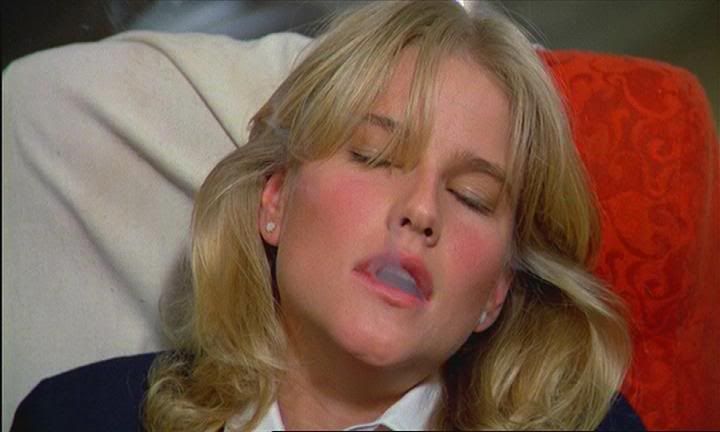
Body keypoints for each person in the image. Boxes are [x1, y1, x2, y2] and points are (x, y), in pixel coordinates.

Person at [10, 1, 645, 430]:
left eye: (472, 197)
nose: (421, 211)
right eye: (374, 157)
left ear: (497, 292)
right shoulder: (78, 417)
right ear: (276, 200)